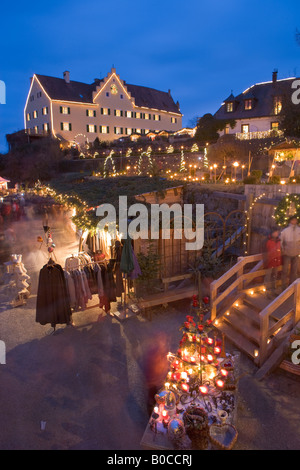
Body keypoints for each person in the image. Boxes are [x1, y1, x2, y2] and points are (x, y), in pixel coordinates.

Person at [280, 215, 300, 290]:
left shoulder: (299, 230)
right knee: (285, 270)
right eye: (293, 220)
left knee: (294, 271)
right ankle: (283, 287)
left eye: (295, 220)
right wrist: (283, 250)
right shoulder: (286, 230)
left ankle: (292, 286)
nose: (294, 221)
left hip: (296, 253)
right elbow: (281, 241)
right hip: (287, 253)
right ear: (290, 221)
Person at [264, 228, 282, 297]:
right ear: (272, 233)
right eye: (275, 232)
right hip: (270, 261)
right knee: (268, 276)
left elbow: (279, 250)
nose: (276, 234)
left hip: (276, 261)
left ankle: (274, 290)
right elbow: (266, 252)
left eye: (277, 232)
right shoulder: (268, 241)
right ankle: (267, 291)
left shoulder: (279, 241)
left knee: (275, 276)